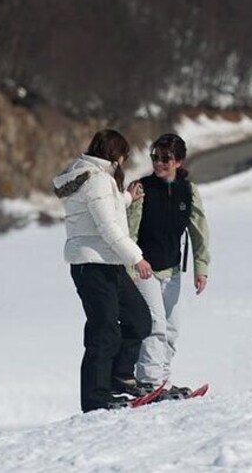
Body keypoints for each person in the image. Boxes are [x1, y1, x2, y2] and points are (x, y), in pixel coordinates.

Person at [52, 129, 155, 412]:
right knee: (104, 331)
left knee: (139, 319)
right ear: (116, 155)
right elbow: (108, 227)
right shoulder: (96, 180)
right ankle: (95, 399)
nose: (123, 162)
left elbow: (104, 209)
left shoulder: (95, 178)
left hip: (107, 262)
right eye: (123, 157)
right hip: (92, 265)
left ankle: (120, 378)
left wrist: (126, 198)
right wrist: (137, 258)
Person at [126, 133, 210, 398]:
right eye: (155, 157)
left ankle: (162, 380)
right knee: (155, 324)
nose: (159, 163)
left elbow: (199, 231)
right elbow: (129, 231)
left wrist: (201, 268)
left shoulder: (189, 191)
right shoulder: (142, 188)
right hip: (145, 269)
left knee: (171, 329)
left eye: (166, 159)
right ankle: (149, 383)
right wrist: (131, 266)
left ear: (179, 162)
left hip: (172, 269)